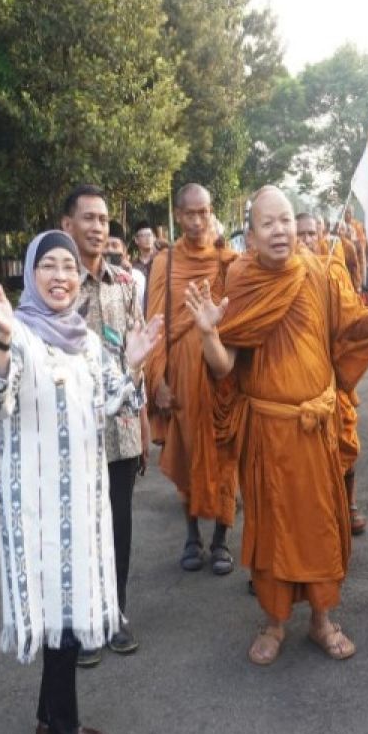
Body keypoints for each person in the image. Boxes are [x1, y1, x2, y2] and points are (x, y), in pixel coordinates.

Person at [184, 186, 368, 665]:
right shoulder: (239, 280)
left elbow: (352, 329)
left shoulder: (321, 272)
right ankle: (275, 623)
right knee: (272, 530)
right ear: (251, 234)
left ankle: (322, 621)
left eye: (285, 221)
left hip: (315, 427)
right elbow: (222, 368)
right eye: (268, 224)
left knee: (322, 526)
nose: (279, 231)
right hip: (267, 431)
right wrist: (207, 333)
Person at [0, 232, 160, 734]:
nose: (60, 276)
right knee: (61, 626)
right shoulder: (17, 333)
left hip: (83, 504)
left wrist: (135, 362)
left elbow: (116, 401)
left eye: (69, 267)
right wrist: (4, 342)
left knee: (68, 616)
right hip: (37, 509)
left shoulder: (86, 341)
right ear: (31, 275)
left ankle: (45, 722)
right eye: (48, 265)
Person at [60, 185, 147, 666]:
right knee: (79, 530)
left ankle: (116, 614)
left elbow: (138, 358)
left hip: (122, 431)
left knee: (119, 526)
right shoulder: (55, 283)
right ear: (66, 225)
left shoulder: (124, 284)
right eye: (88, 218)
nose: (98, 227)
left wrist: (145, 424)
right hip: (73, 437)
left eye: (104, 219)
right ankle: (83, 625)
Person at [144, 184, 241, 573]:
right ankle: (191, 536)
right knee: (185, 455)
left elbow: (238, 322)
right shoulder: (164, 264)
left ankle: (220, 540)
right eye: (190, 214)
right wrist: (157, 381)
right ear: (178, 216)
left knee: (224, 458)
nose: (198, 221)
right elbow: (155, 323)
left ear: (211, 211)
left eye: (204, 212)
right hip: (181, 380)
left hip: (222, 381)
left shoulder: (228, 261)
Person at [298, 212, 368, 536]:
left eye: (311, 233)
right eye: (300, 234)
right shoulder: (278, 276)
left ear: (323, 233)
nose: (305, 240)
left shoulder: (334, 270)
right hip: (295, 381)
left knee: (345, 441)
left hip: (332, 373)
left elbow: (352, 320)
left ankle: (350, 503)